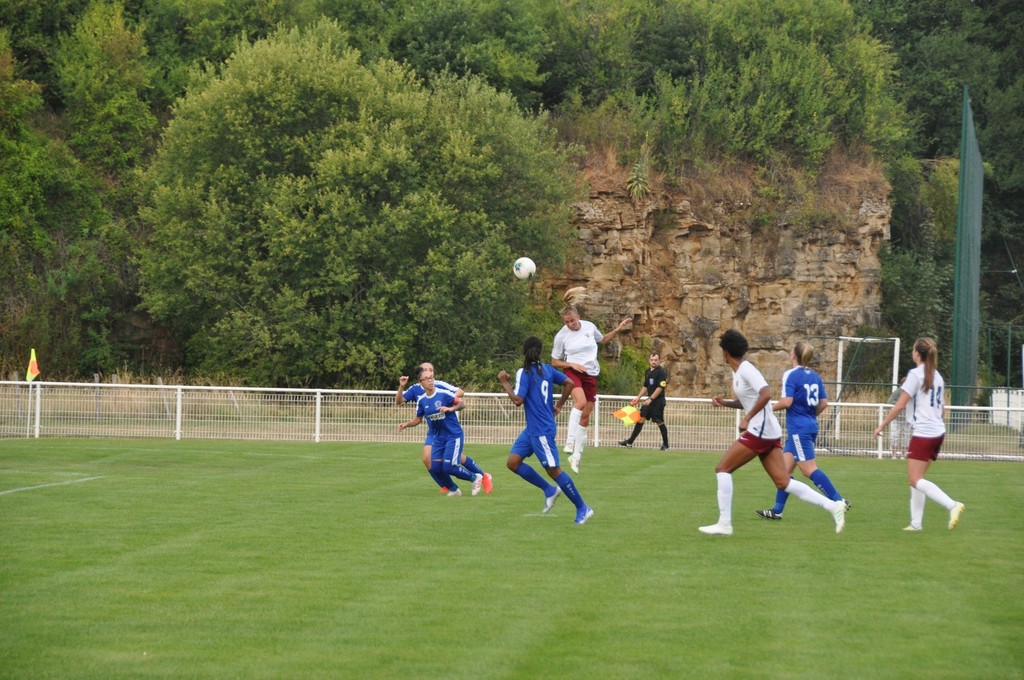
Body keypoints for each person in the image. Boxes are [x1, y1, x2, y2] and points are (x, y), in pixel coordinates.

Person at [700, 329, 847, 536]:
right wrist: (724, 403)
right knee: (783, 481)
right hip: (768, 431)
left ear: (725, 352)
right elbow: (747, 400)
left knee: (723, 468)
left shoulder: (746, 369)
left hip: (760, 430)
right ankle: (833, 506)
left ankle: (725, 524)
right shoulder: (738, 373)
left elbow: (766, 394)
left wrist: (748, 418)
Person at [498, 336, 594, 524]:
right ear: (539, 351)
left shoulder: (524, 373)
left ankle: (583, 507)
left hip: (541, 430)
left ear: (524, 351)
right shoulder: (548, 370)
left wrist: (504, 383)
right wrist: (558, 406)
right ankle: (550, 490)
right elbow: (569, 383)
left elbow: (518, 401)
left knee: (553, 470)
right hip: (533, 429)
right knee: (513, 462)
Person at [873, 338, 965, 531]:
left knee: (914, 480)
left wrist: (881, 425)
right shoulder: (937, 375)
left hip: (924, 433)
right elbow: (942, 408)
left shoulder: (915, 375)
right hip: (937, 432)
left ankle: (952, 505)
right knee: (918, 479)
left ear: (917, 353)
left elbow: (899, 405)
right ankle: (916, 524)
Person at [755, 340, 847, 521]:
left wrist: (767, 408)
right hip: (809, 425)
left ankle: (838, 501)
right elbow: (824, 403)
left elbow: (787, 401)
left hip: (799, 429)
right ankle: (777, 510)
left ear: (793, 355)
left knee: (808, 469)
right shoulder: (815, 376)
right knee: (784, 472)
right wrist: (810, 416)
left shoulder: (791, 375)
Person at [551, 303, 631, 473]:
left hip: (590, 373)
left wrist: (617, 329)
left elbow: (602, 340)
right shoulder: (561, 336)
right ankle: (569, 440)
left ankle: (576, 457)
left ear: (578, 316)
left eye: (572, 320)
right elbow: (554, 361)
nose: (570, 324)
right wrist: (571, 364)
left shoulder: (589, 326)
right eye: (567, 322)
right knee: (579, 403)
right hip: (572, 371)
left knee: (585, 417)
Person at [397, 363, 491, 494]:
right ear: (420, 381)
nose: (430, 379)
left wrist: (450, 406)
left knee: (449, 465)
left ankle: (478, 476)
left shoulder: (441, 389)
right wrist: (406, 423)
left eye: (431, 375)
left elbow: (461, 398)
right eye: (426, 375)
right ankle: (453, 489)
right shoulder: (419, 397)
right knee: (434, 465)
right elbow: (411, 412)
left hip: (451, 432)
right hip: (436, 434)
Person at [618, 352, 670, 450]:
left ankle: (666, 445)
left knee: (659, 422)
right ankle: (629, 442)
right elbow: (645, 386)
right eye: (652, 360)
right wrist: (638, 398)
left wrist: (651, 399)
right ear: (649, 360)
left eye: (656, 360)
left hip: (657, 401)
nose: (653, 362)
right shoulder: (648, 371)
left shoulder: (662, 372)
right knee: (640, 419)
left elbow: (660, 388)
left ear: (659, 361)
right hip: (648, 401)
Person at [886, 373, 911, 459]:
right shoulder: (898, 391)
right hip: (896, 417)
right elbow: (890, 401)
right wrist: (900, 405)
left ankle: (904, 454)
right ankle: (894, 454)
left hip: (907, 418)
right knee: (894, 435)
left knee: (906, 436)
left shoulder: (912, 392)